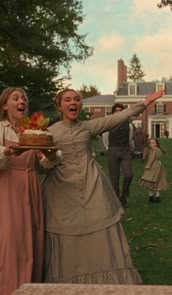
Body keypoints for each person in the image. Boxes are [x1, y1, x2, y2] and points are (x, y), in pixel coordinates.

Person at [40, 88, 164, 285]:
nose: (73, 102)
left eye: (77, 99)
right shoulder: (48, 133)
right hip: (61, 189)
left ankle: (105, 279)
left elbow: (119, 117)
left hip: (92, 185)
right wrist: (50, 158)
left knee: (99, 227)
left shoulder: (89, 127)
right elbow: (43, 166)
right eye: (68, 100)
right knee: (66, 233)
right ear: (59, 106)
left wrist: (145, 102)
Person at [0, 87, 44, 295]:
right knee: (8, 245)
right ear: (4, 105)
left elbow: (46, 163)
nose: (22, 101)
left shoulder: (33, 129)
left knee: (32, 242)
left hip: (30, 187)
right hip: (7, 187)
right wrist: (8, 151)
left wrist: (49, 155)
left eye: (24, 98)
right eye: (16, 98)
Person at [102, 103, 135, 208]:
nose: (118, 112)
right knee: (114, 178)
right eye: (116, 110)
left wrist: (128, 148)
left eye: (120, 110)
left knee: (128, 174)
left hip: (125, 150)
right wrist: (109, 149)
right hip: (113, 150)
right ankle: (116, 200)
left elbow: (129, 138)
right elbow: (105, 139)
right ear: (113, 112)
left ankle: (124, 196)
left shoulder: (129, 125)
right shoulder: (109, 124)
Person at [139, 138, 168, 203]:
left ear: (156, 144)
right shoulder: (157, 149)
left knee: (148, 180)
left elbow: (151, 159)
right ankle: (156, 197)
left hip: (153, 167)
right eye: (150, 143)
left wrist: (147, 166)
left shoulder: (154, 150)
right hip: (158, 166)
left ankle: (151, 196)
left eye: (153, 143)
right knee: (156, 181)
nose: (151, 144)